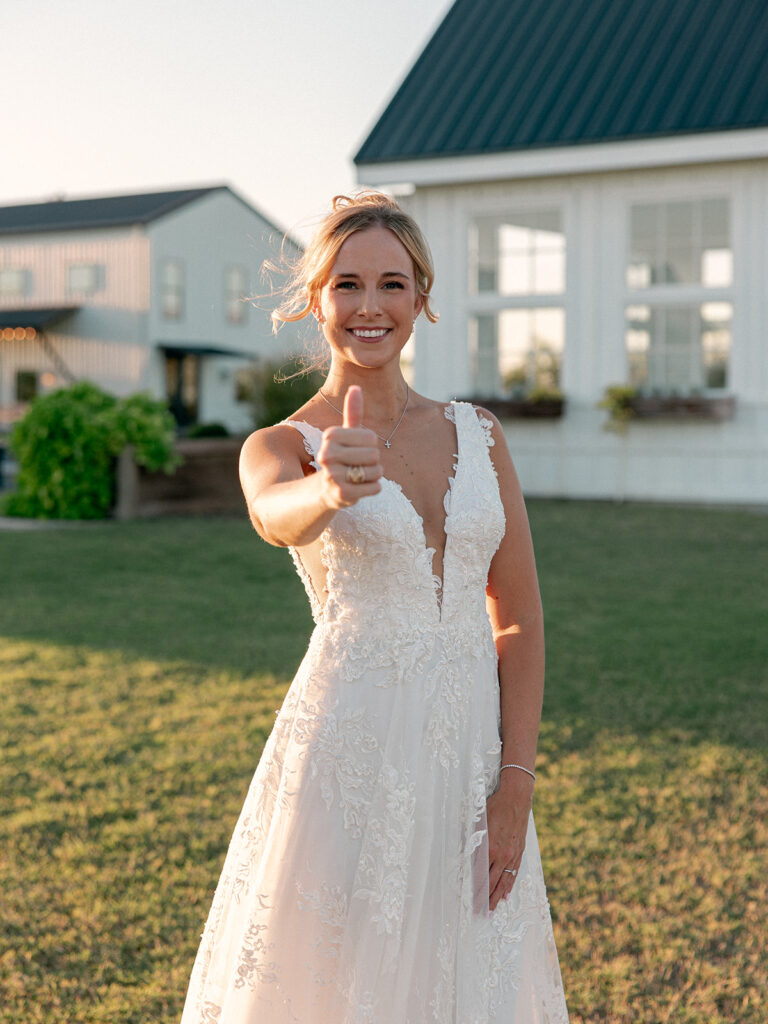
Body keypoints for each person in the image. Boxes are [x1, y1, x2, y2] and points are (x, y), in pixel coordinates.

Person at [179, 193, 569, 1023]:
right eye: (346, 284)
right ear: (314, 300)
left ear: (421, 298)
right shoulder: (282, 444)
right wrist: (327, 488)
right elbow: (270, 513)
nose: (368, 307)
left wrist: (515, 785)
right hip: (349, 758)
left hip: (471, 763)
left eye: (391, 285)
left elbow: (520, 620)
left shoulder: (482, 435)